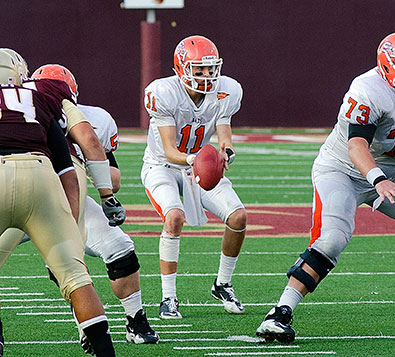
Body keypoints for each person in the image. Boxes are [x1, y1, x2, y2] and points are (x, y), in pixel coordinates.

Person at [256, 31, 395, 343]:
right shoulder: (368, 90)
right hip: (342, 171)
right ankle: (278, 314)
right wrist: (378, 180)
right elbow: (356, 145)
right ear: (388, 69)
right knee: (332, 238)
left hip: (390, 173)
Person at [24, 64, 159, 347]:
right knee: (67, 259)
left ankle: (135, 320)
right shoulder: (18, 116)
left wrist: (87, 167)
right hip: (30, 192)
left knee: (120, 249)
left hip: (71, 197)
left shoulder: (94, 118)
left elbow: (114, 176)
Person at [0, 51, 115, 356]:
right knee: (76, 276)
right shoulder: (43, 96)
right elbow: (66, 164)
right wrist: (73, 218)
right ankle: (103, 349)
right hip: (43, 174)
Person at [141, 35, 247, 319]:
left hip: (197, 167)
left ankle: (223, 283)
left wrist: (226, 150)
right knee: (174, 217)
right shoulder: (164, 92)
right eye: (198, 69)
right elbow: (169, 150)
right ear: (181, 68)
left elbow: (224, 129)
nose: (206, 75)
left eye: (210, 69)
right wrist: (196, 160)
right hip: (163, 166)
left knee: (238, 217)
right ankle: (168, 298)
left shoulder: (226, 90)